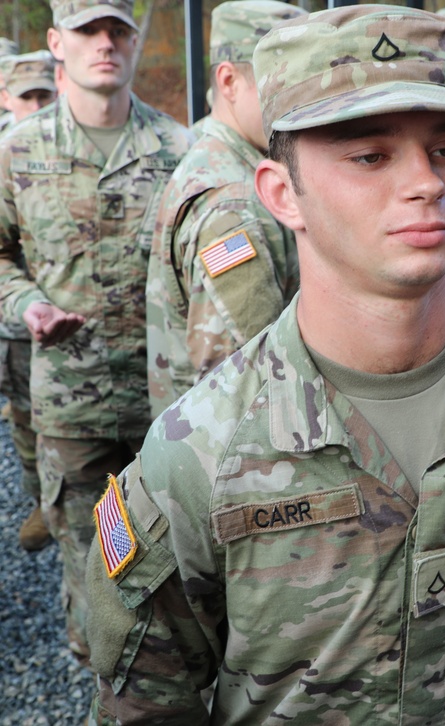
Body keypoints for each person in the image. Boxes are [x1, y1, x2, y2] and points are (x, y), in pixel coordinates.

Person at [86, 6, 445, 724]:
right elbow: (146, 705)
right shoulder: (200, 452)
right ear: (280, 194)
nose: (427, 183)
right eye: (371, 156)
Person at [0, 0, 192, 665]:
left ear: (137, 45)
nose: (104, 44)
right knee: (91, 571)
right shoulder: (18, 151)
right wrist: (26, 305)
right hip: (70, 405)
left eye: (119, 31)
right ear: (57, 41)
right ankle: (104, 687)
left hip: (166, 408)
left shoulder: (180, 150)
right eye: (88, 31)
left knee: (178, 567)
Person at [146, 0, 303, 418]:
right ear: (229, 81)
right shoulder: (233, 203)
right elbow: (250, 378)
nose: (299, 103)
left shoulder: (219, 153)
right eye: (281, 85)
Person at [0, 50, 58, 551]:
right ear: (7, 99)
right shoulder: (8, 152)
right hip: (15, 319)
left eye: (46, 95)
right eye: (28, 97)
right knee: (23, 415)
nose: (37, 106)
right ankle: (41, 496)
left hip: (65, 321)